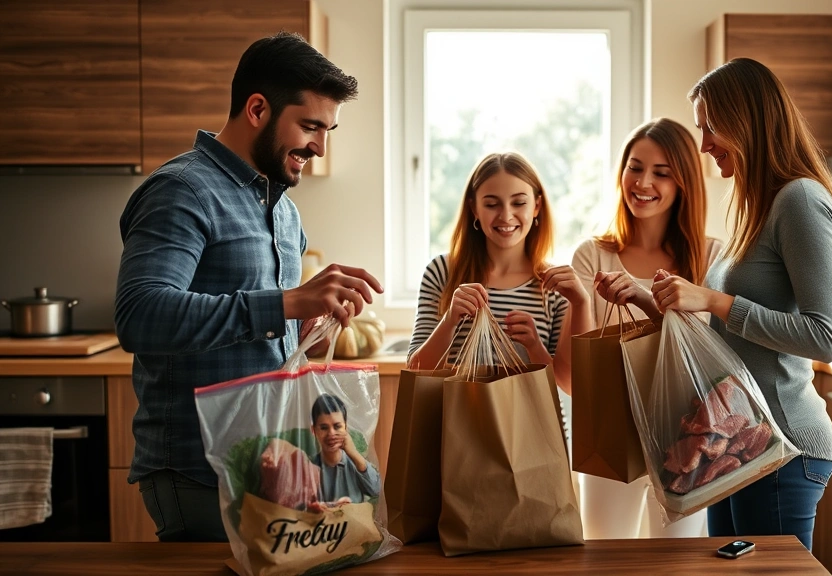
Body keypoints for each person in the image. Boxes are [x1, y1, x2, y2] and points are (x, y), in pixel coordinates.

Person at [114, 32, 383, 542]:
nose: (320, 147)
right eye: (309, 126)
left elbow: (267, 328)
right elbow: (140, 315)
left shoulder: (284, 210)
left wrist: (308, 326)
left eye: (328, 130)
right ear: (257, 108)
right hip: (197, 471)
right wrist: (287, 301)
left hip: (270, 462)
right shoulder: (182, 191)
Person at [645, 57, 832, 551]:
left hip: (785, 447)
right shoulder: (755, 205)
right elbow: (734, 329)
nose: (703, 145)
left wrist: (716, 300)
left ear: (749, 121)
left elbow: (826, 337)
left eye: (712, 127)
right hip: (741, 445)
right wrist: (662, 298)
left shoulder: (800, 201)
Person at [573, 117, 722, 540]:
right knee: (605, 555)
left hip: (688, 432)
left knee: (680, 561)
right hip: (609, 429)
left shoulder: (712, 256)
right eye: (635, 167)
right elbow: (580, 369)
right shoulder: (592, 255)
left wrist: (642, 297)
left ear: (684, 183)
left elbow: (706, 352)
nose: (643, 182)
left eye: (662, 173)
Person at [407, 152, 594, 432]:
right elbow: (416, 370)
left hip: (533, 438)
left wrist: (537, 344)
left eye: (519, 202)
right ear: (474, 208)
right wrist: (450, 320)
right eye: (492, 204)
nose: (506, 215)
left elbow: (570, 385)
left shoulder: (553, 286)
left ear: (536, 206)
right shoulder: (443, 273)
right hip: (456, 436)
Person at [307, 394, 381, 511]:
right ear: (314, 430)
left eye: (337, 426)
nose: (331, 434)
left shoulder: (356, 464)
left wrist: (354, 453)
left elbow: (375, 490)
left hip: (354, 528)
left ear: (345, 428)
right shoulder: (308, 468)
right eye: (324, 428)